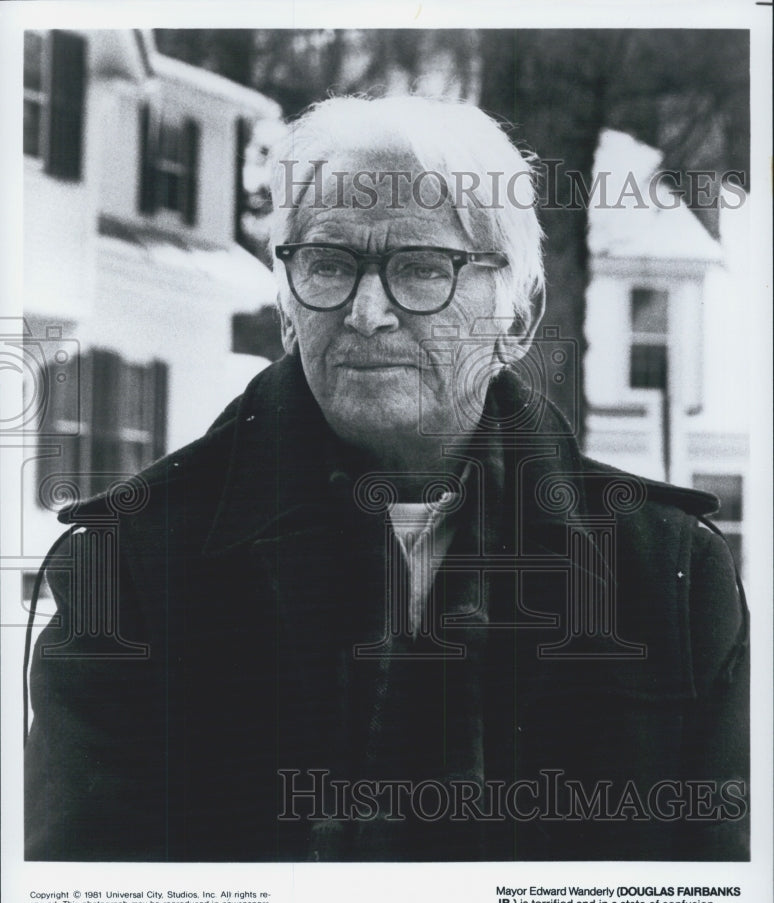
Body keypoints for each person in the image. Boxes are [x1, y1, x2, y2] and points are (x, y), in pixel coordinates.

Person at [25, 95, 748, 862]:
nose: (367, 312)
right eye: (329, 264)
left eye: (422, 268)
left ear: (520, 314)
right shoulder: (133, 563)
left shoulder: (665, 578)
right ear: (285, 307)